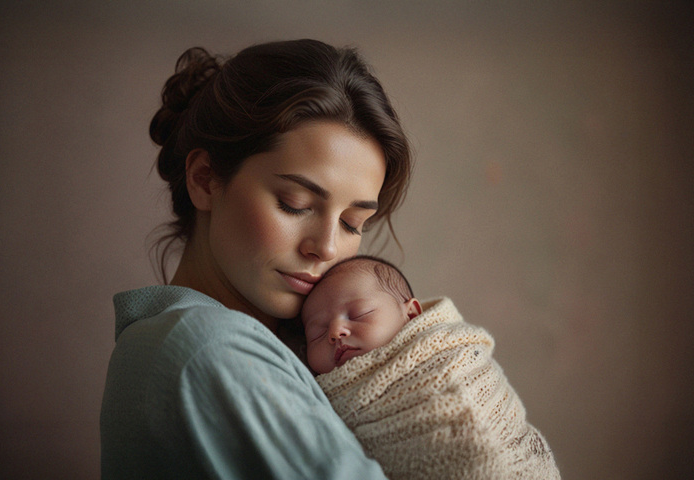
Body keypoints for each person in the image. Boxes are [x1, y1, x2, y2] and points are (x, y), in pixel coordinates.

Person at [100, 39, 412, 479]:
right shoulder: (208, 348)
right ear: (205, 179)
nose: (325, 248)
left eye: (352, 223)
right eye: (295, 203)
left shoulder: (186, 341)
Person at [302, 255, 561, 480]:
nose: (335, 332)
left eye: (358, 314)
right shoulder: (312, 393)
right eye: (318, 332)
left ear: (412, 314)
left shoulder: (446, 352)